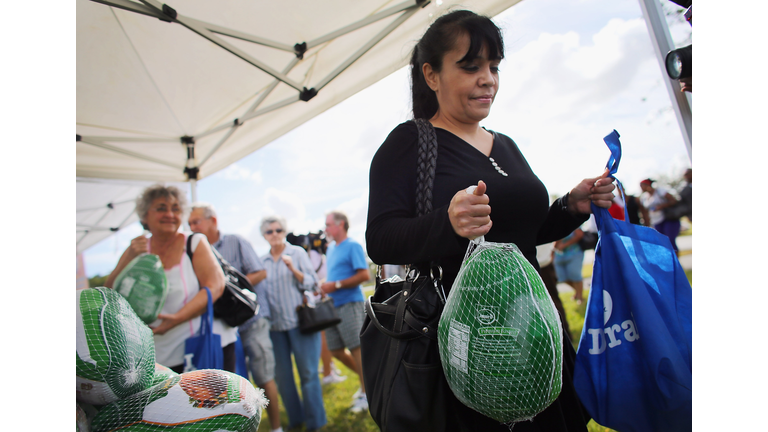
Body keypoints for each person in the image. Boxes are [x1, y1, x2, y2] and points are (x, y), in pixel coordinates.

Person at [365, 10, 616, 431]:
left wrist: (571, 207)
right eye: (471, 66)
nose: (488, 79)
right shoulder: (408, 143)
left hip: (536, 332)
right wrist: (448, 222)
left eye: (494, 67)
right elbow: (381, 240)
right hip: (471, 346)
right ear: (431, 75)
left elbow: (523, 235)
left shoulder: (507, 145)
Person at [105, 185, 225, 373]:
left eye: (176, 209)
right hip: (154, 354)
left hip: (197, 346)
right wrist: (128, 259)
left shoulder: (194, 242)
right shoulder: (137, 248)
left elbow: (215, 286)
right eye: (161, 208)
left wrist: (177, 319)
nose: (170, 214)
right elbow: (109, 294)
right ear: (145, 216)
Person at [188, 204, 283, 432]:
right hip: (224, 328)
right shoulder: (195, 250)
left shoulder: (235, 241)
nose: (192, 227)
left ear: (213, 220)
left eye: (196, 222)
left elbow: (260, 272)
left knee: (263, 376)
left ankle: (277, 427)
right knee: (235, 383)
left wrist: (227, 287)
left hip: (251, 321)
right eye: (190, 223)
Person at [259, 215, 326, 432]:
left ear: (284, 231)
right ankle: (295, 420)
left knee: (308, 374)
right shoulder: (262, 262)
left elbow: (313, 284)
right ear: (264, 235)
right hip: (275, 328)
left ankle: (315, 422)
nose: (275, 235)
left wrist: (293, 270)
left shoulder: (296, 253)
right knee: (283, 378)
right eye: (269, 231)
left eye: (278, 230)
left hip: (300, 323)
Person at [319, 211, 371, 413]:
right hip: (333, 306)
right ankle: (366, 381)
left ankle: (367, 394)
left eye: (328, 224)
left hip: (350, 303)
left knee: (357, 348)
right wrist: (327, 284)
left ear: (340, 225)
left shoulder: (353, 246)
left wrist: (337, 284)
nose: (326, 229)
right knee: (336, 351)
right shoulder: (331, 248)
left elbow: (364, 274)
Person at [536, 242, 572, 337]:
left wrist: (553, 249)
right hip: (528, 262)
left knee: (553, 301)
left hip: (543, 263)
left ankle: (564, 334)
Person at [639, 178, 682, 252]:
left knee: (670, 241)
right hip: (656, 221)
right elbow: (645, 212)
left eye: (642, 185)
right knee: (663, 243)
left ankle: (676, 261)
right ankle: (670, 262)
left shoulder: (660, 191)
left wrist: (661, 206)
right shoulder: (644, 198)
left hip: (668, 219)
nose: (641, 188)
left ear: (648, 185)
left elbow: (674, 201)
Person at [554, 228, 586, 304]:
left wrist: (564, 244)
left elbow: (579, 234)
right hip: (559, 255)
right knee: (561, 277)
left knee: (575, 274)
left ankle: (580, 296)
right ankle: (578, 291)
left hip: (574, 252)